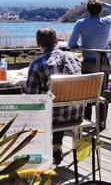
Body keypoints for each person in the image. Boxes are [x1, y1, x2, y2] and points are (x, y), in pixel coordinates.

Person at [25, 28, 82, 165]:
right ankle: (56, 147)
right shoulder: (74, 58)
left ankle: (35, 153)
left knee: (45, 107)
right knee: (58, 102)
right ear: (57, 41)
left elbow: (30, 96)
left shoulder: (37, 64)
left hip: (53, 116)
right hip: (76, 113)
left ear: (38, 44)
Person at [68, 0, 111, 120]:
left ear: (87, 9)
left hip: (88, 63)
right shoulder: (107, 21)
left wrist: (83, 47)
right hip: (103, 62)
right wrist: (104, 4)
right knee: (103, 92)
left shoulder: (80, 23)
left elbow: (71, 44)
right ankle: (101, 122)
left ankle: (87, 119)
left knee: (87, 92)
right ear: (100, 9)